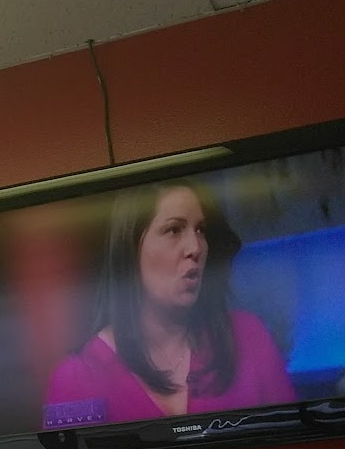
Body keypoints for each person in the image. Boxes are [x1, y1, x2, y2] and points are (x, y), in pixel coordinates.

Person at [44, 181, 295, 426]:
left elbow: (293, 440)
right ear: (131, 249)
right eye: (174, 230)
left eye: (201, 230)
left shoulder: (248, 336)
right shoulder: (75, 378)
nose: (195, 247)